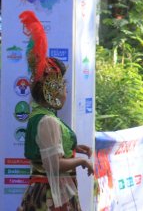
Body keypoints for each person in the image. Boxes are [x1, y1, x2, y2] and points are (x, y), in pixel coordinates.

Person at [18, 11, 94, 211]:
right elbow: (54, 164)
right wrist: (81, 161)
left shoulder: (42, 117)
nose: (65, 92)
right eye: (63, 86)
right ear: (53, 90)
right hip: (50, 196)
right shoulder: (48, 121)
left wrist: (75, 148)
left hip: (48, 191)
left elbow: (47, 152)